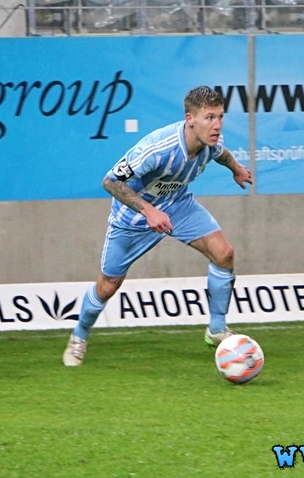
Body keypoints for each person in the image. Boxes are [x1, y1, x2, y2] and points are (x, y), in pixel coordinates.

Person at [62, 86, 253, 367]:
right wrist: (148, 210)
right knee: (108, 285)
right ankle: (79, 336)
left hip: (178, 205)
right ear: (190, 119)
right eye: (209, 118)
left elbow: (221, 154)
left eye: (220, 117)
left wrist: (236, 168)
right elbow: (111, 181)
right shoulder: (158, 148)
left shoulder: (211, 142)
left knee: (224, 253)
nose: (217, 125)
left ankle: (216, 329)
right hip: (133, 218)